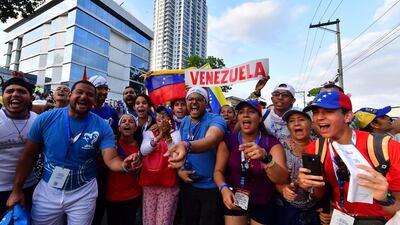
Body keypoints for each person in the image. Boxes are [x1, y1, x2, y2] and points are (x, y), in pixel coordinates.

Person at [6, 80, 141, 225]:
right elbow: (28, 155)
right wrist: (17, 189)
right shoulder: (46, 119)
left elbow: (111, 158)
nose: (84, 97)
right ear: (70, 95)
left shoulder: (102, 126)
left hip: (83, 192)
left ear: (94, 100)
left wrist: (124, 165)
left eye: (89, 95)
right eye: (80, 92)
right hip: (48, 189)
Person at [298, 91, 400, 224]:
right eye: (316, 112)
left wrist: (385, 198)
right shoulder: (315, 148)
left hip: (378, 220)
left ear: (347, 116)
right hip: (339, 218)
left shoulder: (387, 147)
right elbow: (318, 194)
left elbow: (397, 208)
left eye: (328, 111)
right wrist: (306, 187)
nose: (319, 118)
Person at [214, 99, 288, 225]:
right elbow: (218, 171)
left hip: (263, 201)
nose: (246, 115)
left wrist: (266, 159)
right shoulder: (228, 141)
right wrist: (223, 189)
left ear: (259, 118)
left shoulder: (271, 143)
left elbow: (281, 179)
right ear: (238, 118)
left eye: (251, 112)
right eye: (241, 112)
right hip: (235, 198)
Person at [170, 86, 227, 225]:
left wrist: (187, 145)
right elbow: (179, 153)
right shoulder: (184, 121)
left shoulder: (217, 120)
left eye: (199, 99)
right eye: (190, 99)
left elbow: (211, 140)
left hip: (210, 187)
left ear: (206, 103)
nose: (194, 102)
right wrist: (180, 171)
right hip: (188, 184)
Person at [276, 108, 320, 225]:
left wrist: (325, 204)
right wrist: (283, 189)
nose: (296, 123)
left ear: (311, 125)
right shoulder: (280, 146)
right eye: (291, 121)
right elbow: (276, 176)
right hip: (287, 208)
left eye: (301, 119)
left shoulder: (320, 146)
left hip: (316, 208)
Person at [0, 76, 37, 217]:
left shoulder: (38, 120)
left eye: (21, 91)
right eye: (9, 91)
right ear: (3, 96)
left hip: (29, 187)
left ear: (31, 97)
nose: (15, 94)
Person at [88, 75, 120, 225]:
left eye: (105, 88)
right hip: (84, 164)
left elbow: (116, 135)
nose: (103, 92)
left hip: (103, 165)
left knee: (100, 200)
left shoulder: (112, 112)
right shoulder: (84, 109)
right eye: (99, 87)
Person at [140, 105, 181, 225]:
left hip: (168, 185)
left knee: (163, 221)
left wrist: (167, 134)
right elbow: (144, 150)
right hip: (149, 183)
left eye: (164, 114)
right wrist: (158, 136)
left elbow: (175, 155)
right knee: (149, 220)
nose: (161, 116)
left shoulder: (176, 134)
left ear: (169, 118)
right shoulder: (148, 133)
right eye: (158, 114)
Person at [105, 114, 142, 225]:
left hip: (133, 195)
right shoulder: (111, 145)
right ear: (119, 127)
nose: (127, 123)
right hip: (112, 195)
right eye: (124, 121)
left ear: (135, 128)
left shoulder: (141, 147)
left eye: (130, 122)